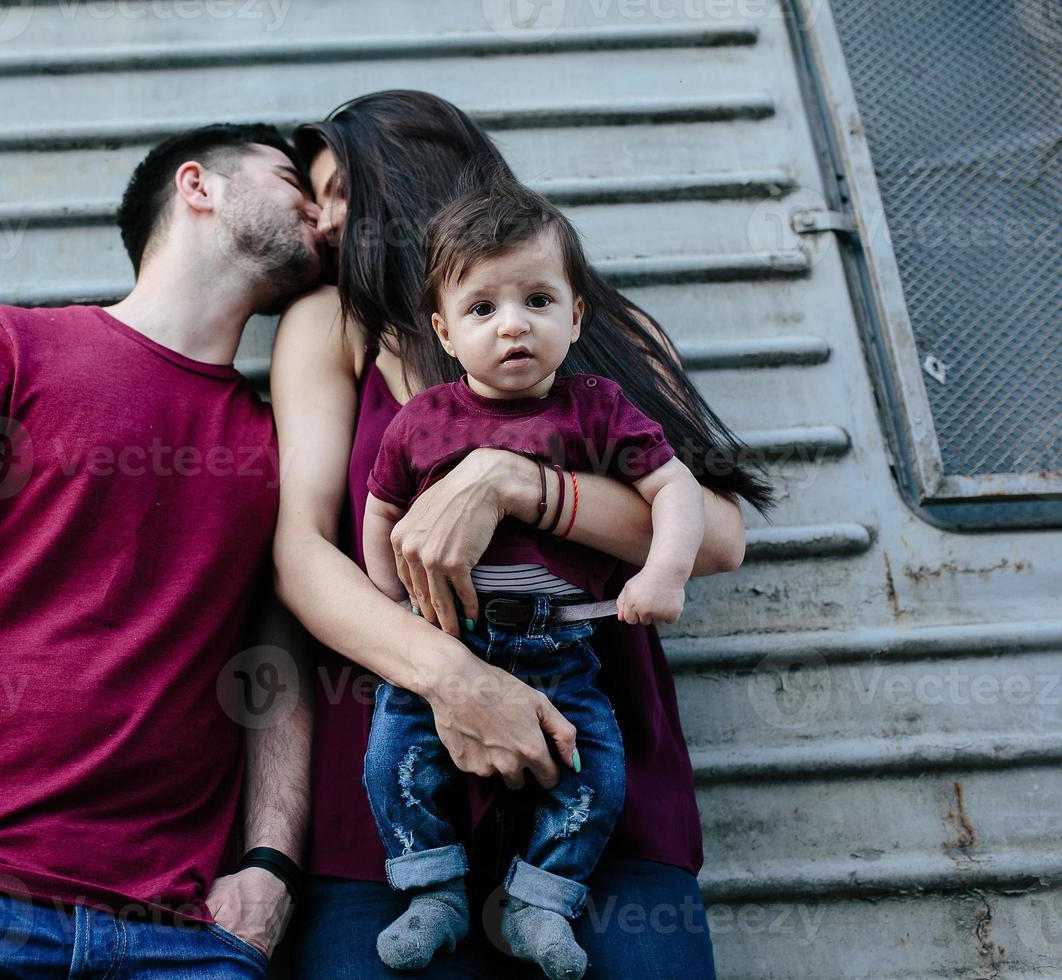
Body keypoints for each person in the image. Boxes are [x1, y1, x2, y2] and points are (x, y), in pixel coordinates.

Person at [271, 90, 772, 978]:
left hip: (594, 768)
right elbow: (303, 555)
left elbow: (719, 536)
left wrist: (517, 484)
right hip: (392, 807)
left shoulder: (610, 333)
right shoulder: (335, 326)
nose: (324, 220)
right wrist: (457, 684)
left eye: (344, 189)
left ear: (416, 174)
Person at [0, 123, 322, 977]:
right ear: (198, 186)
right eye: (291, 182)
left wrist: (271, 868)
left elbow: (275, 658)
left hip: (183, 936)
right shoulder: (4, 347)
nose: (323, 211)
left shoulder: (283, 438)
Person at [360, 174, 706, 979]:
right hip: (451, 638)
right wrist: (388, 594)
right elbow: (380, 510)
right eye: (483, 309)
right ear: (445, 333)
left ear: (575, 315)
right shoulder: (424, 421)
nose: (513, 325)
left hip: (563, 649)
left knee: (597, 774)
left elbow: (676, 489)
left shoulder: (596, 407)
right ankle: (434, 892)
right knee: (393, 760)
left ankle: (540, 903)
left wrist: (665, 573)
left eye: (538, 301)